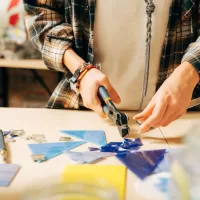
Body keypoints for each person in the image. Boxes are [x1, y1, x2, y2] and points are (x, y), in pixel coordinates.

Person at [23, 0, 200, 133]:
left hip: (186, 115)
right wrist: (81, 70)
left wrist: (187, 76)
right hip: (87, 113)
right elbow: (41, 14)